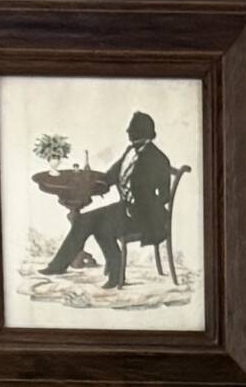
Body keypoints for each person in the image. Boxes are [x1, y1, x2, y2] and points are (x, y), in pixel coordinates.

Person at [42, 113, 179, 291]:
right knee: (84, 219)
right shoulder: (130, 151)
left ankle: (116, 275)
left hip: (148, 217)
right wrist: (87, 181)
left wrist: (138, 209)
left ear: (142, 131)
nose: (127, 131)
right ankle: (58, 266)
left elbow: (164, 196)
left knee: (102, 227)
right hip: (126, 208)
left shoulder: (158, 158)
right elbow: (111, 176)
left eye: (132, 128)